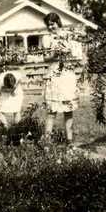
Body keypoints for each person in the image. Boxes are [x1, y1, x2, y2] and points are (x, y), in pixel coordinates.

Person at [42, 12, 82, 146]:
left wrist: (68, 54)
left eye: (52, 24)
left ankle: (69, 141)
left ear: (58, 22)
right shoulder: (46, 38)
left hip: (67, 74)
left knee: (68, 109)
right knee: (51, 111)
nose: (50, 27)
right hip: (54, 74)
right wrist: (55, 55)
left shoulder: (69, 36)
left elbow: (77, 55)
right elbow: (45, 58)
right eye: (48, 25)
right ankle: (47, 142)